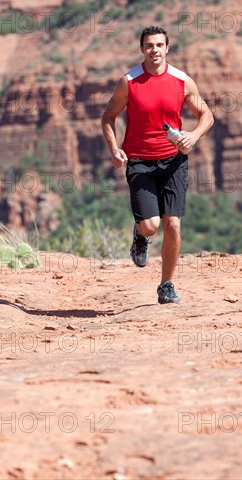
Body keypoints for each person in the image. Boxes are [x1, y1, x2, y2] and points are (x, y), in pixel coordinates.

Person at [101, 26, 214, 304]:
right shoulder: (129, 81)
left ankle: (167, 285)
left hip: (174, 161)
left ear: (167, 48)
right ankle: (140, 235)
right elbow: (108, 117)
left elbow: (206, 114)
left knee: (172, 224)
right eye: (149, 45)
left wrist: (193, 135)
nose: (154, 50)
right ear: (142, 49)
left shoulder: (182, 80)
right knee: (151, 226)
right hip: (139, 162)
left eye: (159, 45)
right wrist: (115, 149)